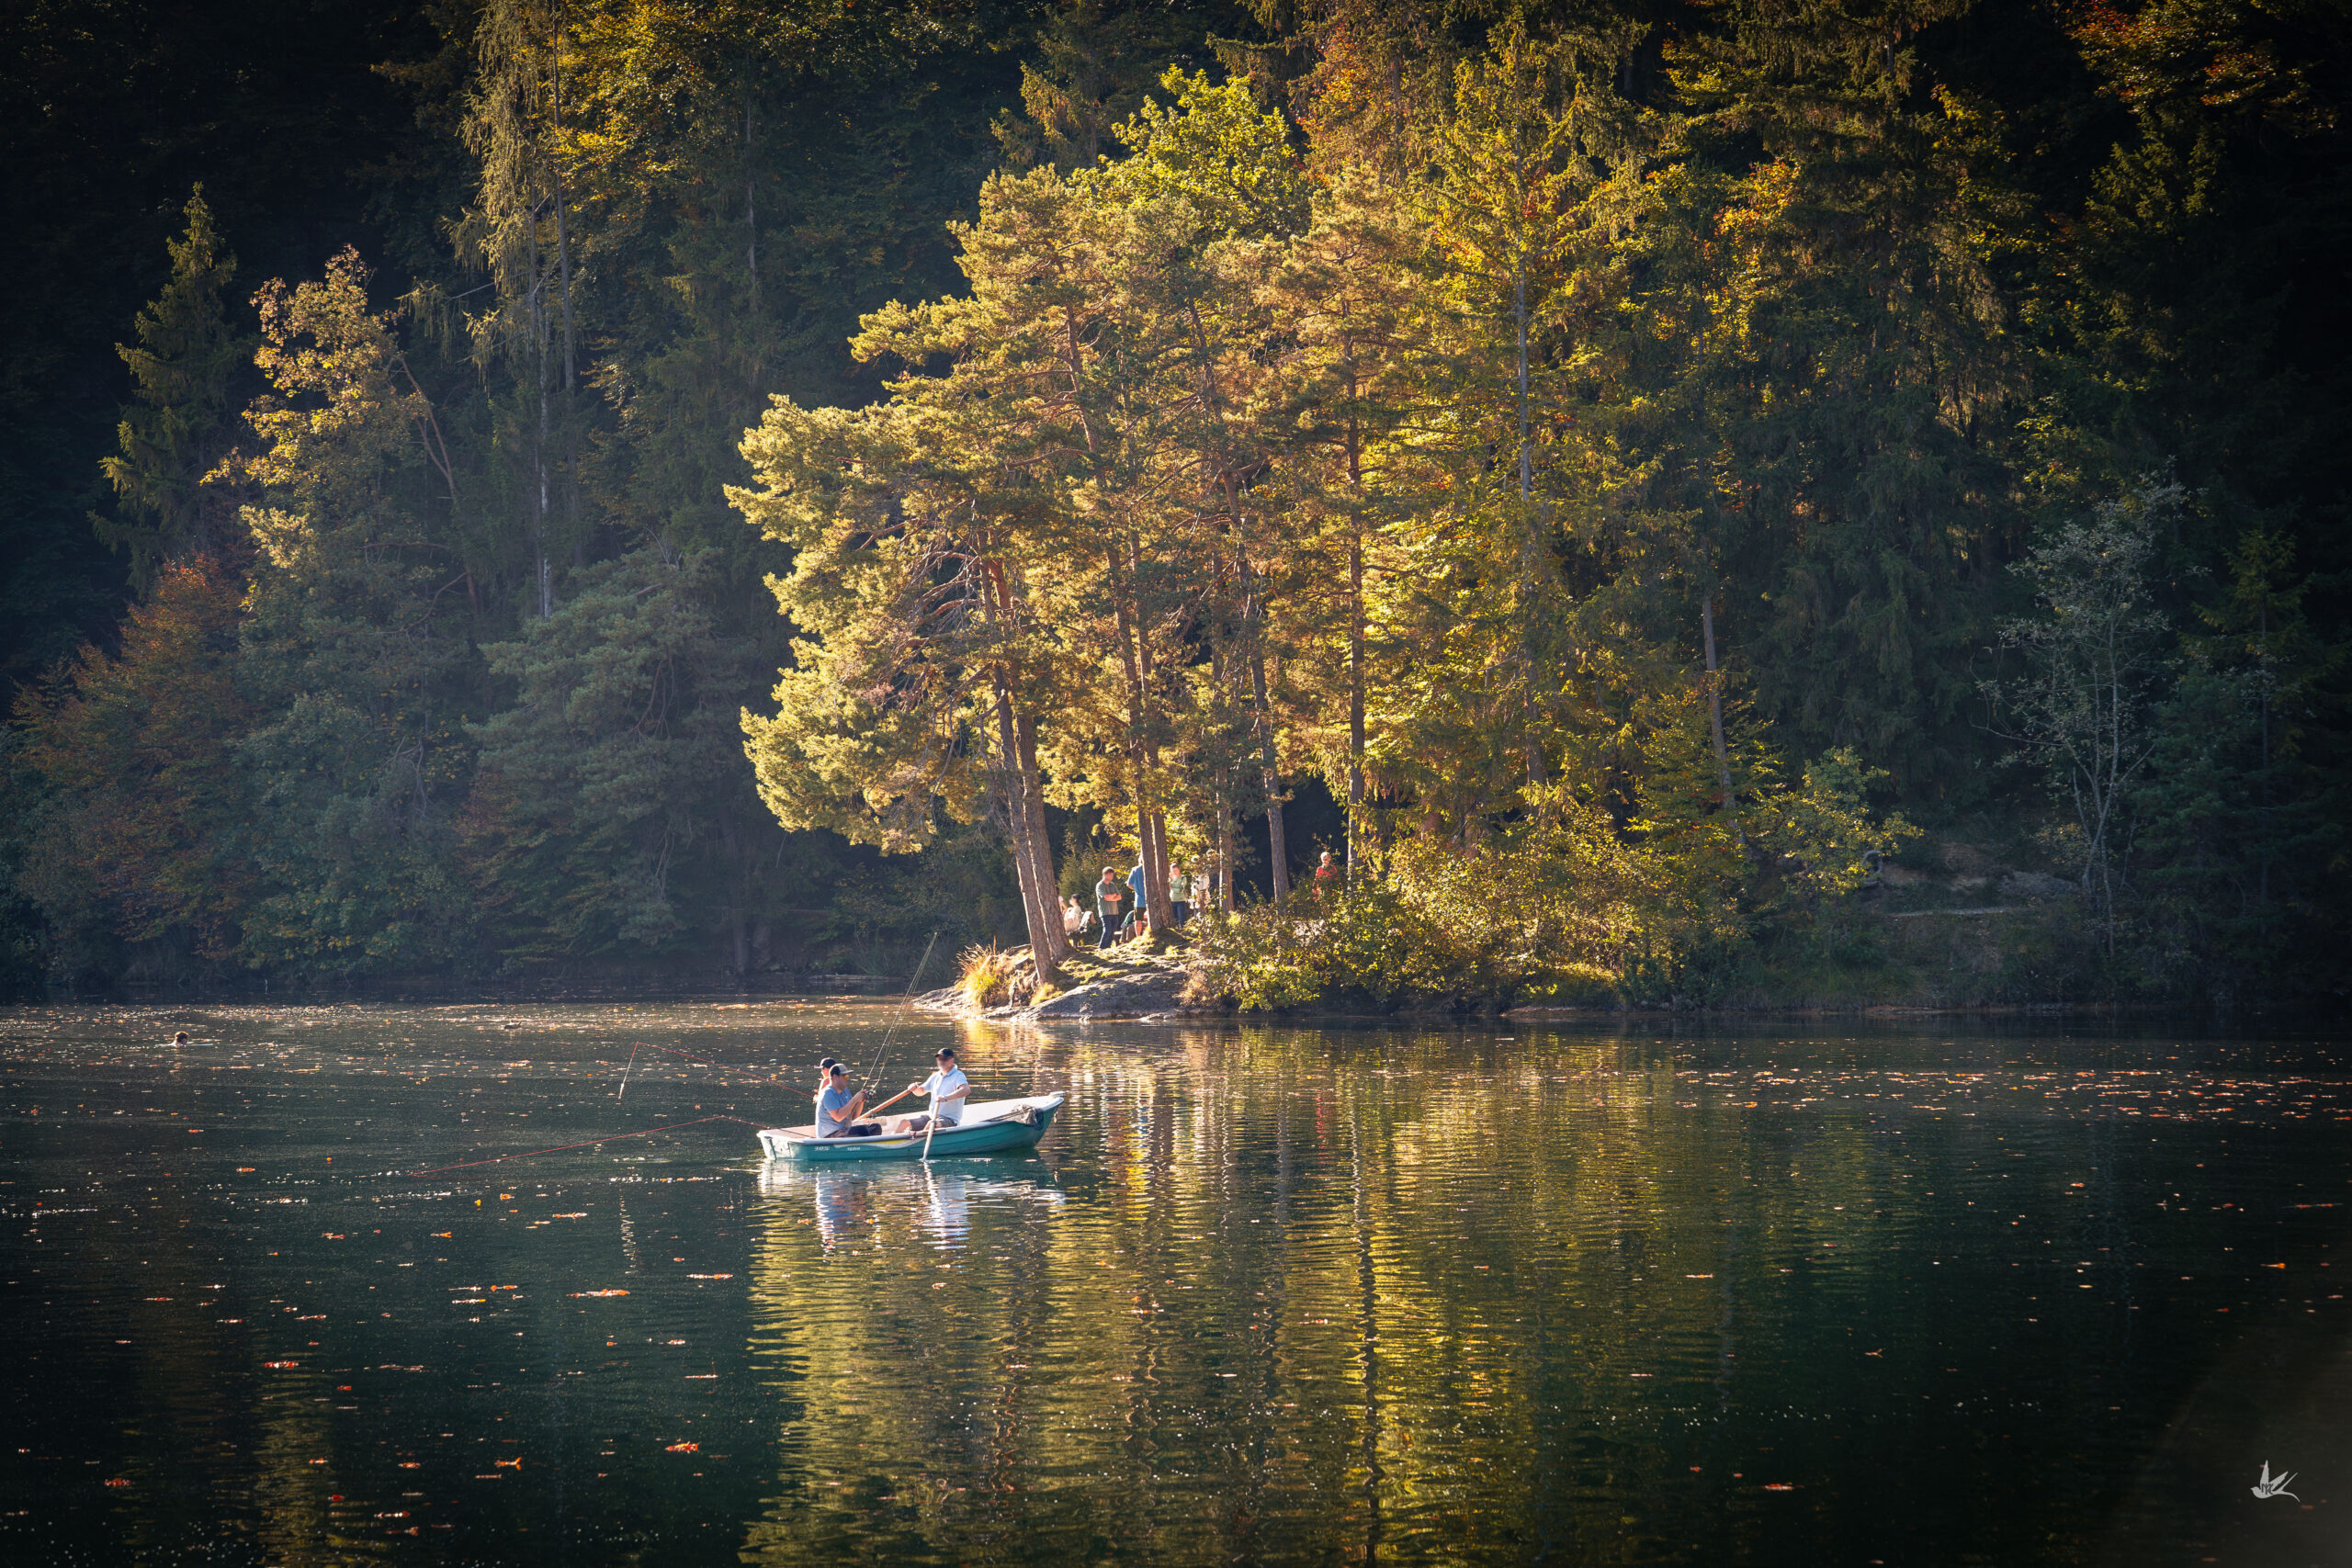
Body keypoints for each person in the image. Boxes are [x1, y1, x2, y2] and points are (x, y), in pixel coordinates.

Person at [887, 1046, 969, 1134]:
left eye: (944, 1059)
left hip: (949, 1119)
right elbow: (921, 1092)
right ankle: (892, 1146)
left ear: (952, 1060)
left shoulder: (958, 1075)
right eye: (939, 1058)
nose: (941, 1061)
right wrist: (913, 1088)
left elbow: (966, 1090)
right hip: (931, 1117)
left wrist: (945, 1098)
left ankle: (918, 1142)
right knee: (904, 1122)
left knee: (931, 1124)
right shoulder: (935, 1076)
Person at [813, 1058, 868, 1138]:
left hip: (843, 1132)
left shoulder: (845, 1090)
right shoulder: (828, 1093)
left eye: (847, 1075)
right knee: (862, 1130)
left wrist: (861, 1101)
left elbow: (854, 1116)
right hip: (830, 1135)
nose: (847, 1078)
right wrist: (854, 1099)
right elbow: (838, 1117)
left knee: (875, 1128)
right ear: (835, 1077)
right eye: (844, 1075)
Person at [1093, 865, 1127, 950]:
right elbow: (1105, 897)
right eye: (1110, 875)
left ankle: (1107, 947)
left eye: (1112, 875)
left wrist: (1111, 897)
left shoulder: (1112, 885)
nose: (1111, 877)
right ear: (1104, 874)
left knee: (1112, 931)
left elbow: (1119, 897)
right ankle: (1101, 947)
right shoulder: (1100, 885)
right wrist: (1113, 896)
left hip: (1114, 912)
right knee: (1107, 930)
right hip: (1105, 912)